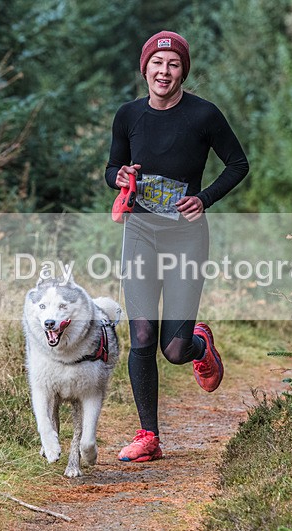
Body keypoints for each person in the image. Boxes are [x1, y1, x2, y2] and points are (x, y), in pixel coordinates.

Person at [105, 30, 249, 462]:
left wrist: (203, 199)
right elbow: (111, 165)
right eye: (157, 63)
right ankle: (148, 435)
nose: (164, 71)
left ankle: (199, 345)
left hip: (186, 236)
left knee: (173, 350)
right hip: (141, 233)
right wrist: (116, 177)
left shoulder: (203, 115)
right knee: (143, 334)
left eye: (173, 65)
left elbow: (239, 164)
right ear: (145, 67)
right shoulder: (128, 115)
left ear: (182, 71)